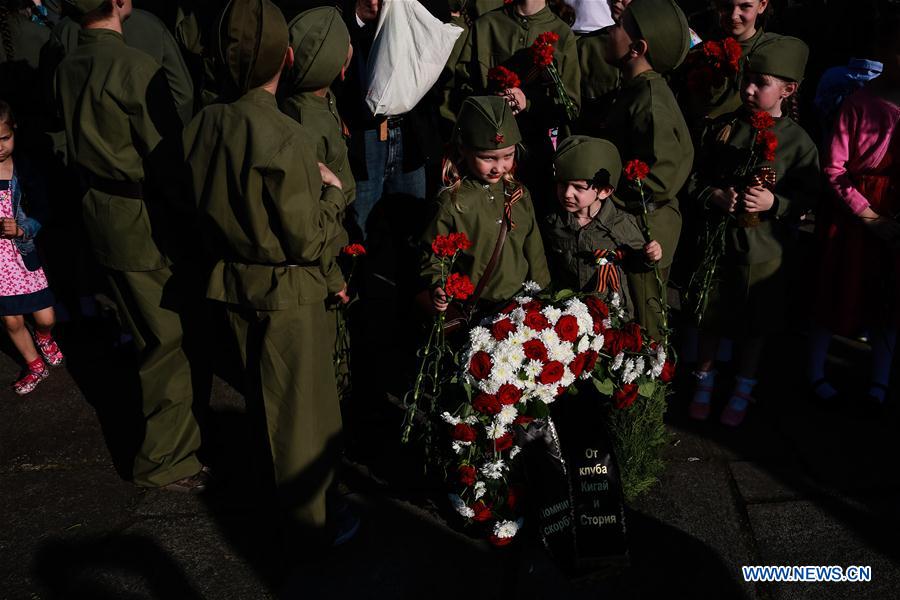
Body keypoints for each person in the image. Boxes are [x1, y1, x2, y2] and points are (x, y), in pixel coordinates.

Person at [182, 0, 353, 545]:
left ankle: (278, 509)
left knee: (264, 408)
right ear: (289, 56)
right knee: (303, 417)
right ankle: (312, 527)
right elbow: (306, 238)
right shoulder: (287, 137)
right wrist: (334, 193)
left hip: (233, 283)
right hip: (289, 293)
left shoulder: (204, 123)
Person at [55, 0, 205, 492]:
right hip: (139, 216)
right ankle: (165, 460)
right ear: (119, 3)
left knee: (145, 329)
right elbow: (165, 158)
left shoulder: (69, 64)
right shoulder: (135, 66)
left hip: (99, 209)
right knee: (165, 340)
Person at [686, 35, 819, 426]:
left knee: (756, 322)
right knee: (710, 312)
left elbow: (810, 195)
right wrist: (712, 194)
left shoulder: (798, 142)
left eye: (760, 82)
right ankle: (704, 380)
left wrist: (775, 204)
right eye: (747, 79)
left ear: (788, 89)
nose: (747, 89)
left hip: (764, 250)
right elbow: (693, 178)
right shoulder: (724, 129)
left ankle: (744, 385)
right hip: (718, 243)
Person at [809, 12, 900, 412]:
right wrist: (869, 217)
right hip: (856, 216)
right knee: (835, 292)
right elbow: (833, 168)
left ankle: (880, 379)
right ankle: (814, 371)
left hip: (896, 216)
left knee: (889, 302)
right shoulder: (860, 104)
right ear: (885, 52)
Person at [600, 0, 693, 341]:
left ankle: (646, 395)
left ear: (638, 48)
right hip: (632, 224)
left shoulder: (651, 101)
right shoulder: (635, 90)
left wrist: (605, 191)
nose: (610, 31)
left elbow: (658, 177)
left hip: (642, 230)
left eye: (619, 25)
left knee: (642, 330)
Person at [450, 0, 580, 211]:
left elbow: (571, 107)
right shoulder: (486, 25)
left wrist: (528, 103)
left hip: (535, 155)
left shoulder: (562, 34)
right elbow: (460, 87)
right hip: (486, 156)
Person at [423, 95, 550, 312]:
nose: (499, 168)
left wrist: (544, 296)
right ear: (463, 149)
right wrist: (438, 284)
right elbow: (433, 254)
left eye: (508, 156)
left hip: (519, 305)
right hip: (474, 308)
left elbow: (534, 251)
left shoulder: (519, 194)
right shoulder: (453, 202)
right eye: (488, 158)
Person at [336, 0, 434, 237]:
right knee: (357, 232)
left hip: (410, 130)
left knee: (411, 228)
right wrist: (357, 13)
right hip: (363, 133)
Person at [281, 6, 355, 305]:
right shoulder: (308, 123)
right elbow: (312, 214)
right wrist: (334, 278)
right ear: (338, 67)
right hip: (324, 251)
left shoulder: (312, 100)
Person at [543, 135, 661, 316]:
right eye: (562, 184)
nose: (567, 193)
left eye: (578, 187)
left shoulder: (621, 224)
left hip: (612, 315)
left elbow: (636, 265)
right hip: (567, 314)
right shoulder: (553, 222)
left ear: (604, 191)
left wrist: (649, 256)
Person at [0, 100, 63, 395]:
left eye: (5, 138)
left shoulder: (23, 169)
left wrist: (23, 227)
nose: (0, 146)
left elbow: (43, 209)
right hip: (0, 265)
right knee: (11, 320)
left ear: (14, 131)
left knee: (46, 316)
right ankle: (34, 365)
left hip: (23, 254)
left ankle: (44, 336)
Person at [50, 5, 195, 125]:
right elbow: (183, 95)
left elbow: (54, 104)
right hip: (148, 147)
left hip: (86, 151)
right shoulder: (151, 25)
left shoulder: (64, 31)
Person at [676, 0, 775, 132]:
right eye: (727, 7)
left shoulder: (770, 54)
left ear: (762, 5)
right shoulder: (700, 51)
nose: (734, 15)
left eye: (745, 6)